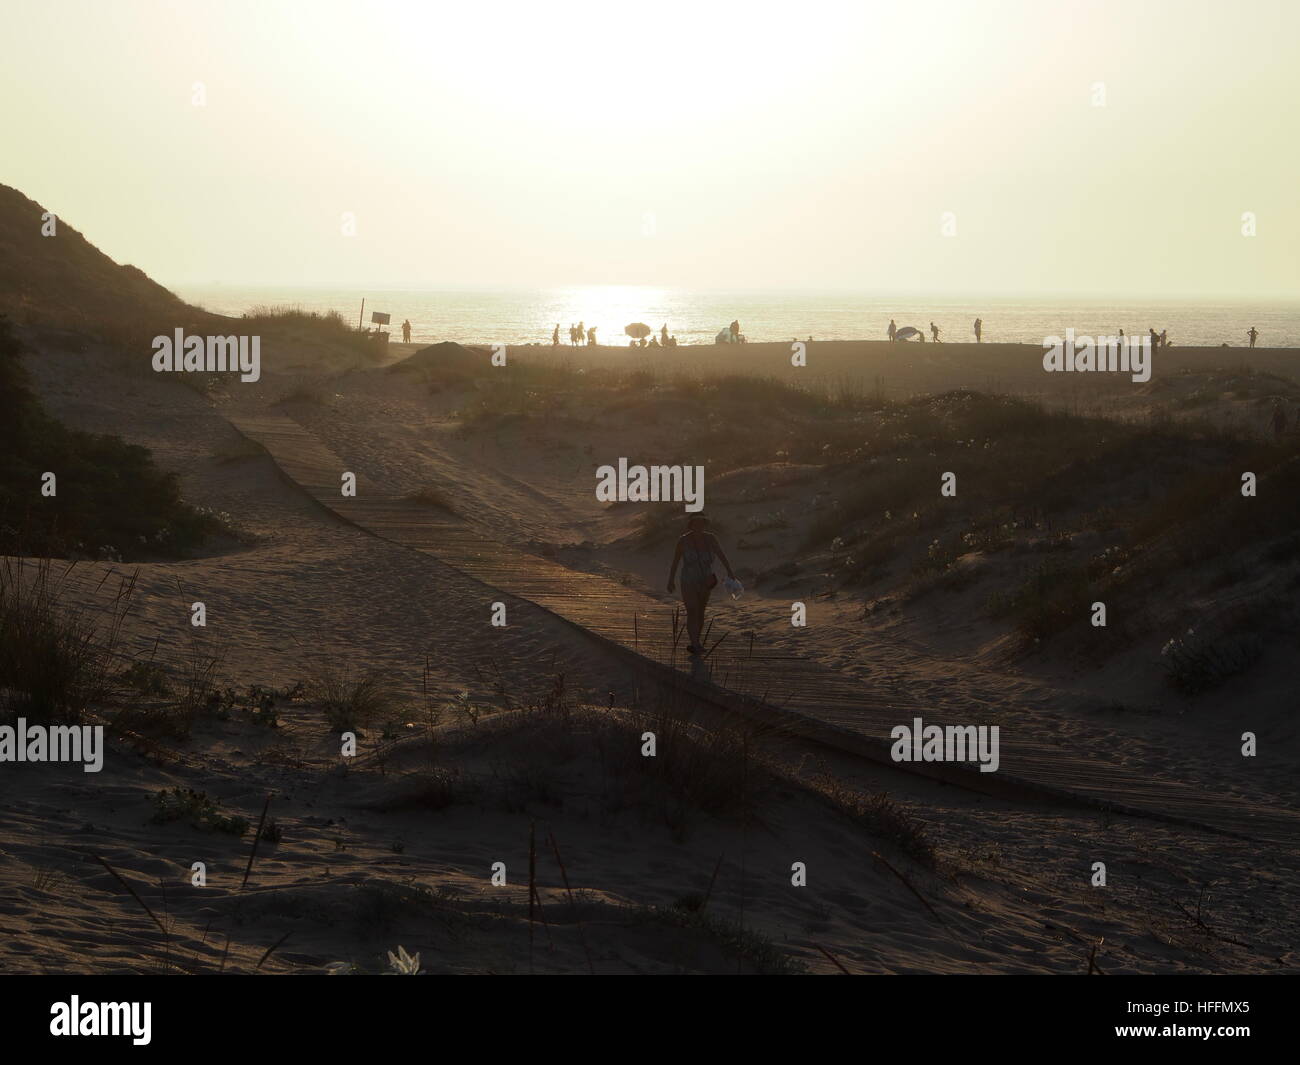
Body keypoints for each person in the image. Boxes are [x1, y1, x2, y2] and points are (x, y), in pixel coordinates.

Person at [667, 515, 736, 655]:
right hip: (688, 580)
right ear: (691, 525)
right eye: (696, 523)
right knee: (692, 610)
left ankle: (696, 641)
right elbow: (675, 561)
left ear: (705, 524)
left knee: (700, 612)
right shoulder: (683, 540)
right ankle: (695, 643)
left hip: (706, 580)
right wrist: (671, 580)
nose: (699, 526)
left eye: (701, 523)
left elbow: (721, 555)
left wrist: (730, 571)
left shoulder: (711, 538)